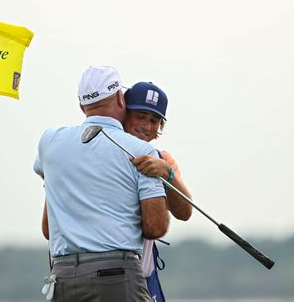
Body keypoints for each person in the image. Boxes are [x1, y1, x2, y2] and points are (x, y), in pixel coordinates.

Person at [35, 66, 169, 302]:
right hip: (117, 276)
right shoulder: (141, 151)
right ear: (120, 98)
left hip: (63, 277)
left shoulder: (49, 142)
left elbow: (48, 229)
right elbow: (155, 228)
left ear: (81, 105)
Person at [124, 81, 193, 302]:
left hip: (146, 275)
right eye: (140, 116)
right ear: (125, 114)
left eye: (154, 120)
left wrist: (167, 174)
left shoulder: (163, 159)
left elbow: (185, 212)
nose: (146, 125)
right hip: (112, 274)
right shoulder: (103, 149)